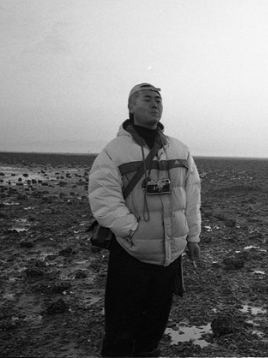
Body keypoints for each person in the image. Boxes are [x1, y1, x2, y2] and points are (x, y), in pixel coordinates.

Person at [88, 82, 202, 357]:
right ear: (131, 106)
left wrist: (192, 237)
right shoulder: (114, 151)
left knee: (155, 324)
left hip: (170, 255)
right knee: (121, 324)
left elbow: (192, 196)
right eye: (147, 99)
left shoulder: (179, 149)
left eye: (158, 100)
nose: (155, 104)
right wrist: (133, 231)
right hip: (130, 253)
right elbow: (104, 198)